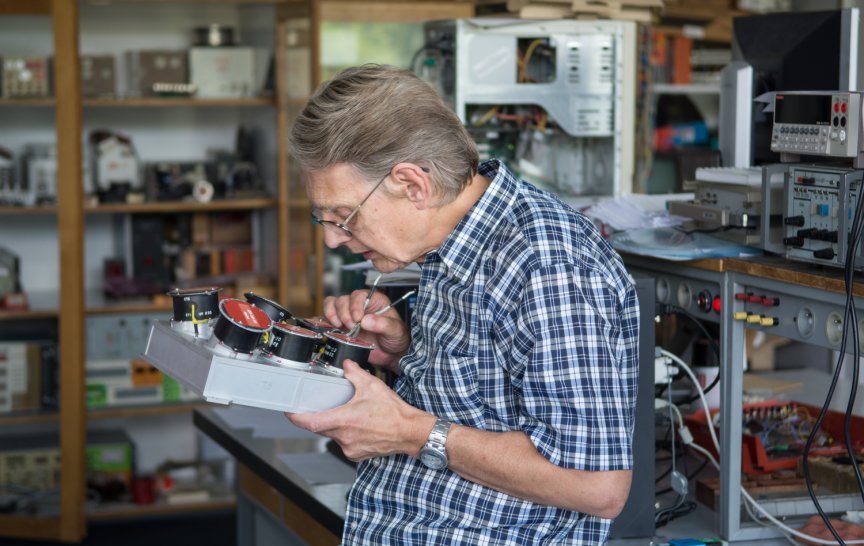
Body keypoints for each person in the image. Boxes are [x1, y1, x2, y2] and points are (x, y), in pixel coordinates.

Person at [286, 64, 640, 545]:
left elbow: (596, 486)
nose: (332, 239)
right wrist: (401, 354)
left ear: (413, 184)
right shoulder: (447, 242)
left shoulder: (547, 263)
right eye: (323, 219)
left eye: (344, 216)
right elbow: (489, 401)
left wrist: (410, 431)